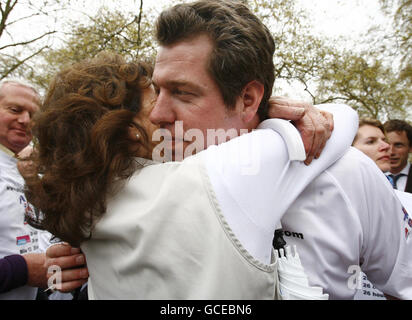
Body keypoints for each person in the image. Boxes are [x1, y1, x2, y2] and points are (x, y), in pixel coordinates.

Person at [41, 0, 411, 299]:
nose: (157, 113)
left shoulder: (346, 174)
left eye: (182, 93)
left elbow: (402, 281)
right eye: (158, 90)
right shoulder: (127, 182)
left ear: (248, 98)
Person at [25, 51, 358, 299]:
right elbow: (342, 119)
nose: (165, 112)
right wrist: (264, 111)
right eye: (156, 99)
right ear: (125, 131)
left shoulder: (86, 205)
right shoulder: (213, 173)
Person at [0, 79, 47, 299]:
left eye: (33, 115)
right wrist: (22, 271)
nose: (25, 120)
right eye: (15, 109)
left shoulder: (37, 176)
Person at [384, 119, 412, 193]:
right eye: (387, 144)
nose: (391, 152)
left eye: (398, 145)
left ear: (410, 148)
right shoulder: (369, 177)